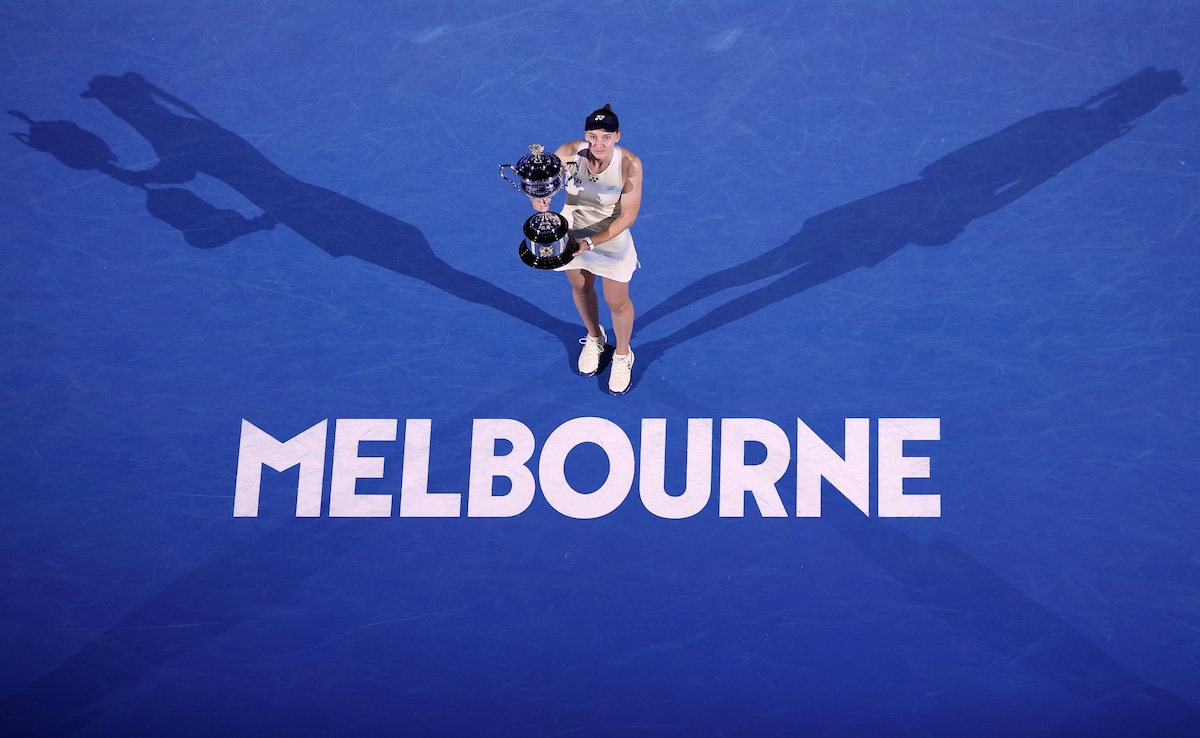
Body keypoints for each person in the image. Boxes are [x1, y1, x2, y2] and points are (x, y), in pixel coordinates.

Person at [532, 104, 644, 394]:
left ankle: (621, 354)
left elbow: (628, 216)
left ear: (617, 136)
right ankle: (595, 337)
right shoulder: (568, 151)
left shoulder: (630, 164)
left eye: (606, 137)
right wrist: (540, 201)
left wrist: (591, 243)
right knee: (581, 287)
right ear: (586, 135)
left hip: (610, 240)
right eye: (593, 136)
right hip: (571, 234)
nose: (598, 143)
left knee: (617, 301)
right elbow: (547, 185)